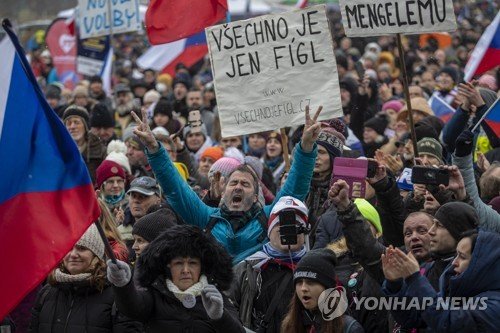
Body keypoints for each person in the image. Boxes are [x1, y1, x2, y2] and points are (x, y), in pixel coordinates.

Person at [130, 105, 322, 264]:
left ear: (256, 196)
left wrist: (306, 148)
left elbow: (294, 191)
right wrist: (154, 149)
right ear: (223, 192)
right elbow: (175, 188)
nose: (238, 187)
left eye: (245, 184)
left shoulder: (269, 219)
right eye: (233, 183)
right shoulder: (206, 218)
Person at [107, 225, 245, 332]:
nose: (186, 270)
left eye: (192, 263)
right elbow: (133, 308)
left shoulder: (214, 297)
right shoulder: (156, 294)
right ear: (168, 267)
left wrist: (220, 316)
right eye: (179, 263)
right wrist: (123, 284)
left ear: (201, 267)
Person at [382, 230, 500, 332]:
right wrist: (394, 283)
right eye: (456, 255)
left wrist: (415, 278)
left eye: (462, 257)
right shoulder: (454, 293)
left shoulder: (494, 305)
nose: (454, 263)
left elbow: (448, 323)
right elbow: (412, 319)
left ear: (482, 265)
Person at [29, 224, 142, 332]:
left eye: (82, 248)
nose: (73, 254)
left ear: (96, 255)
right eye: (69, 248)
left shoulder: (116, 296)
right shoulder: (46, 293)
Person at [230, 196, 310, 332]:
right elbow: (226, 307)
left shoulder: (315, 270)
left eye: (296, 224)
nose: (288, 229)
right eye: (280, 224)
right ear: (269, 230)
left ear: (304, 232)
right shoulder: (248, 268)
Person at [281, 248, 364, 333]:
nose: (303, 288)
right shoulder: (290, 325)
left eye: (311, 282)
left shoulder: (349, 328)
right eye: (299, 282)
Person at [63, 105, 106, 183]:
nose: (72, 127)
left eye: (76, 122)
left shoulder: (100, 151)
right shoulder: (58, 151)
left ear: (86, 126)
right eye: (69, 123)